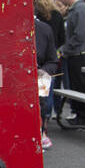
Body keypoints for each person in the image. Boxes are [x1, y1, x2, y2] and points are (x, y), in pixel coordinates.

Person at [56, 0, 85, 125]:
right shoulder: (77, 9)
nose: (60, 0)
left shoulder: (80, 9)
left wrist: (65, 48)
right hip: (75, 52)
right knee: (76, 85)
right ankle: (80, 114)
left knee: (80, 85)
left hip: (80, 53)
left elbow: (80, 33)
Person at [35, 14, 59, 149]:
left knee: (42, 105)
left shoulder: (44, 29)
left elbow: (53, 61)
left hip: (40, 77)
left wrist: (44, 71)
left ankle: (42, 132)